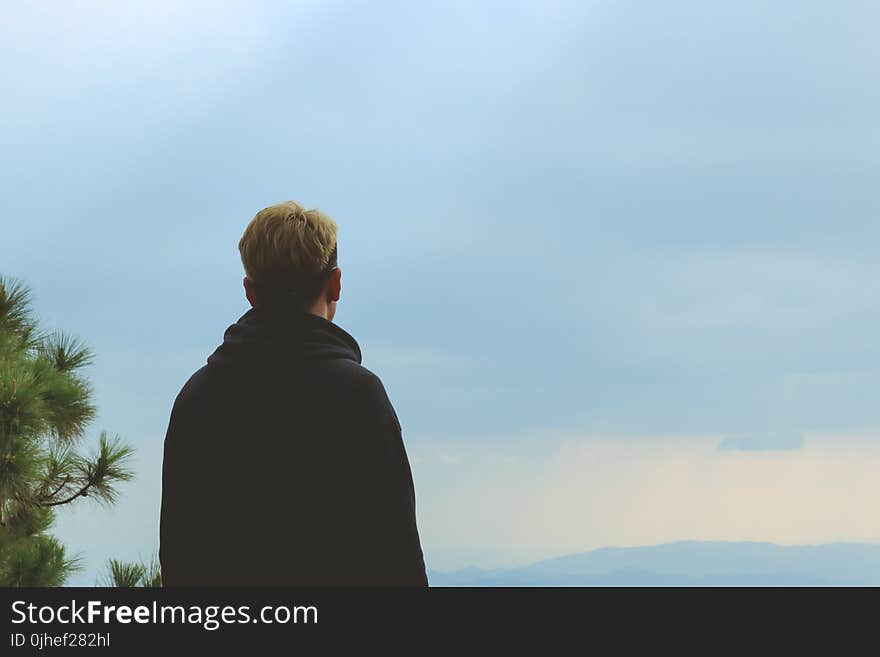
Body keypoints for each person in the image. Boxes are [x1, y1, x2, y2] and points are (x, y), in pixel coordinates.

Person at [159, 201, 428, 586]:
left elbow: (178, 554)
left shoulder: (197, 397)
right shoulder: (359, 396)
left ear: (249, 291)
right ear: (335, 283)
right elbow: (398, 555)